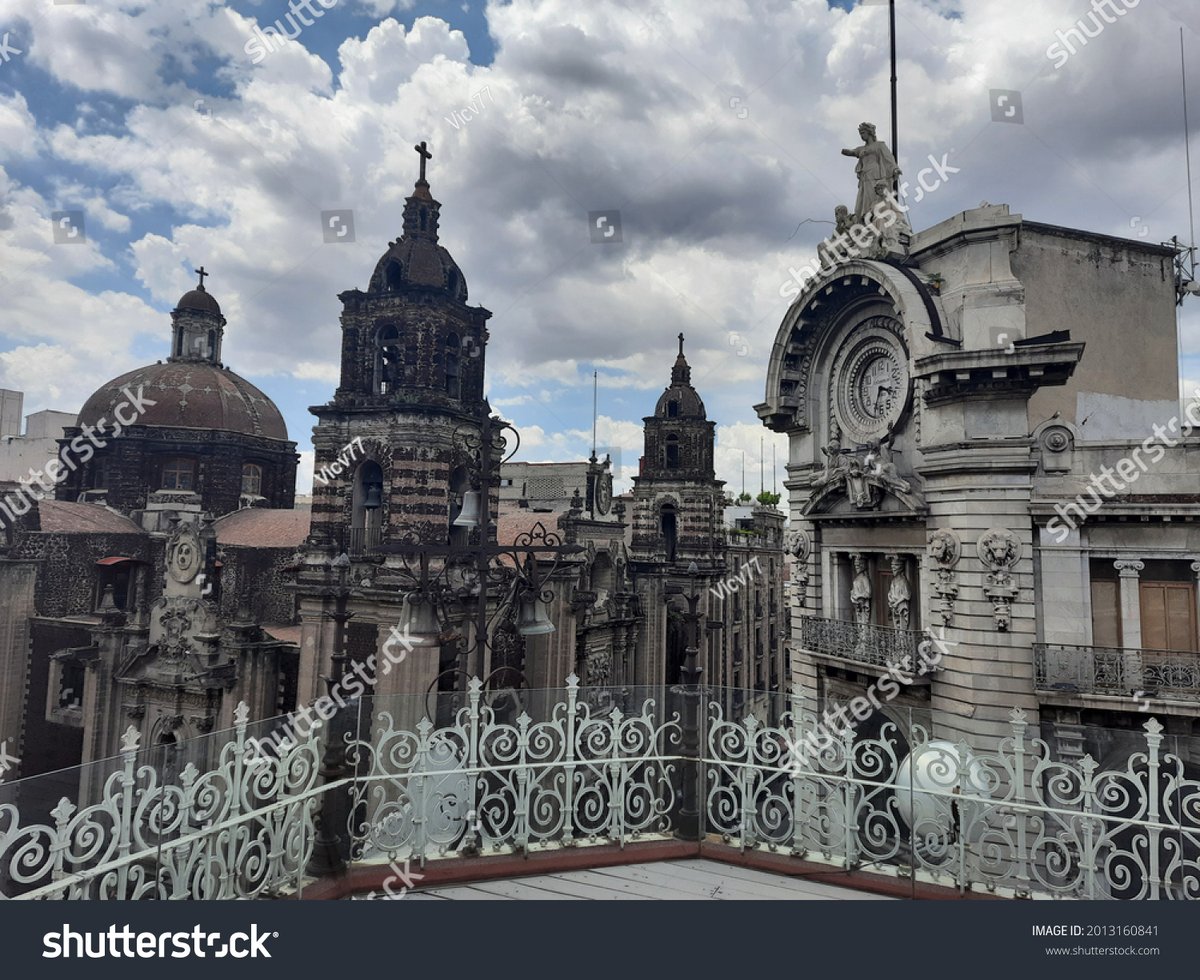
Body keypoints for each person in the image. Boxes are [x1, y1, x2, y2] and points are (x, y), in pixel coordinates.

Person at [842, 122, 901, 223]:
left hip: (876, 175)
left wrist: (895, 169)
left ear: (869, 133)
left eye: (863, 132)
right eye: (860, 133)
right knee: (864, 200)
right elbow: (852, 152)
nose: (861, 135)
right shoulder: (861, 149)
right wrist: (845, 151)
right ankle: (866, 219)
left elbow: (889, 158)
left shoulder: (879, 145)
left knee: (874, 196)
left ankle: (876, 216)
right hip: (865, 177)